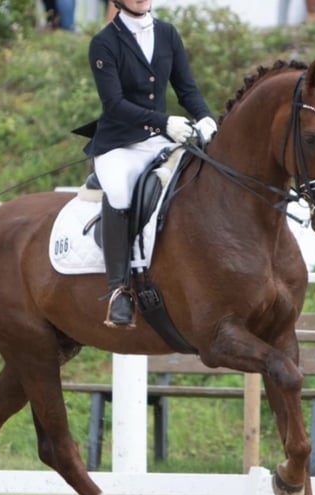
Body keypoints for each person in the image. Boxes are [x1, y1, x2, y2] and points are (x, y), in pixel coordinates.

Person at [83, 0, 217, 328]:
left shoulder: (168, 34)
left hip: (161, 139)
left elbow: (187, 89)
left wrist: (206, 117)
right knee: (120, 194)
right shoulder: (104, 43)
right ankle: (118, 291)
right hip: (120, 143)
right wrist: (163, 123)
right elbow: (114, 104)